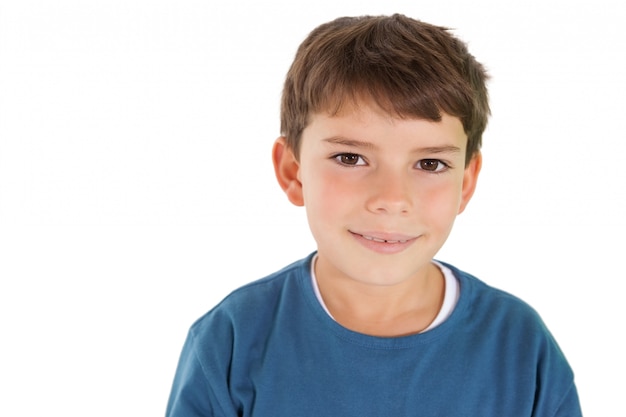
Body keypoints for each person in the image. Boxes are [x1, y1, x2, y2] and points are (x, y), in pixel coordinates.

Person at [165, 14, 582, 416]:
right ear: (293, 172)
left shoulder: (521, 348)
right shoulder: (231, 341)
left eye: (430, 164)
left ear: (466, 184)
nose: (391, 198)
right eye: (350, 157)